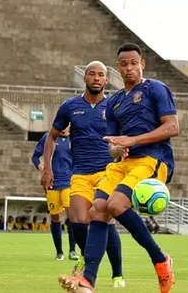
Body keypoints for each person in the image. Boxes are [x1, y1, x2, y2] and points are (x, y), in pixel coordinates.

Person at [58, 43, 177, 293]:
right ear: (118, 69)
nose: (130, 68)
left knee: (115, 205)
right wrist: (117, 148)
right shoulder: (113, 104)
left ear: (142, 64)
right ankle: (88, 280)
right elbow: (114, 143)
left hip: (153, 159)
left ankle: (160, 259)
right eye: (124, 64)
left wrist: (132, 141)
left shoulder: (155, 89)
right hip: (123, 163)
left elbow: (172, 127)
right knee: (97, 210)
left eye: (134, 63)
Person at [41, 61, 125, 287]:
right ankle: (88, 264)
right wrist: (47, 168)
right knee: (77, 220)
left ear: (106, 80)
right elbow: (52, 136)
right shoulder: (70, 106)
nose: (96, 78)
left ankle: (117, 273)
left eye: (101, 75)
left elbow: (126, 136)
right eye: (92, 74)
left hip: (107, 172)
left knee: (104, 221)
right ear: (85, 78)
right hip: (79, 172)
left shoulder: (115, 106)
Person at [33, 125, 78, 261]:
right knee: (55, 217)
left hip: (69, 182)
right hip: (52, 183)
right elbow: (35, 157)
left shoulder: (75, 138)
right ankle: (59, 252)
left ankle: (72, 250)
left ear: (70, 124)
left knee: (72, 217)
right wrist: (42, 168)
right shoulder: (49, 137)